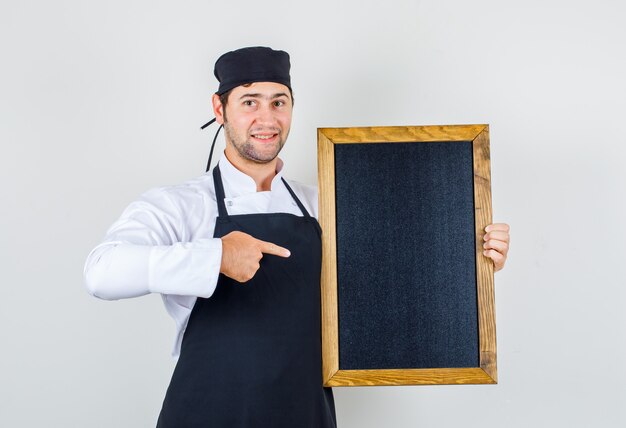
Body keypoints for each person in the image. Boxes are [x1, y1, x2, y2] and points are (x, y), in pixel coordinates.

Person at [84, 46, 511, 427]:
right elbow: (101, 272)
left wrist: (472, 252)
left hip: (304, 413)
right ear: (219, 108)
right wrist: (215, 255)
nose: (266, 119)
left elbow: (399, 275)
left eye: (278, 102)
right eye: (249, 102)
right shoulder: (177, 204)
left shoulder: (326, 203)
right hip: (206, 412)